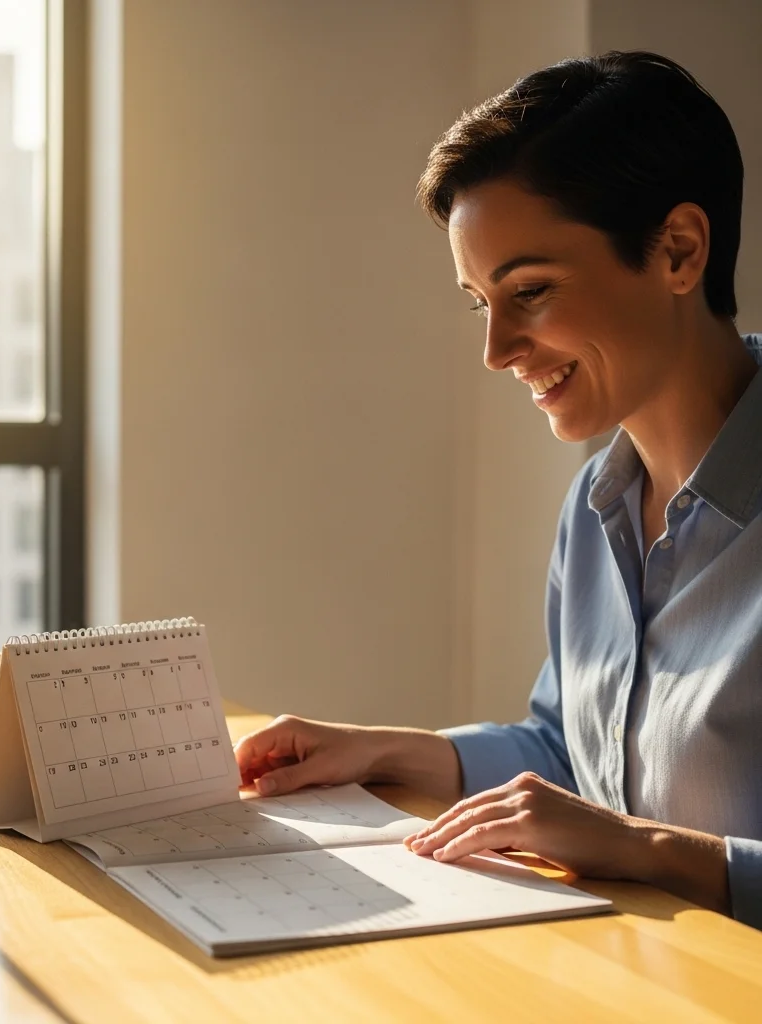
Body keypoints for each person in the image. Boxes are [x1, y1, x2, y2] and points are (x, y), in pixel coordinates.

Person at [234, 51, 762, 929]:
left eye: (532, 291)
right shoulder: (596, 509)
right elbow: (575, 751)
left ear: (679, 251)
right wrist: (388, 751)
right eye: (482, 303)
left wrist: (649, 849)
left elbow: (619, 827)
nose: (497, 350)